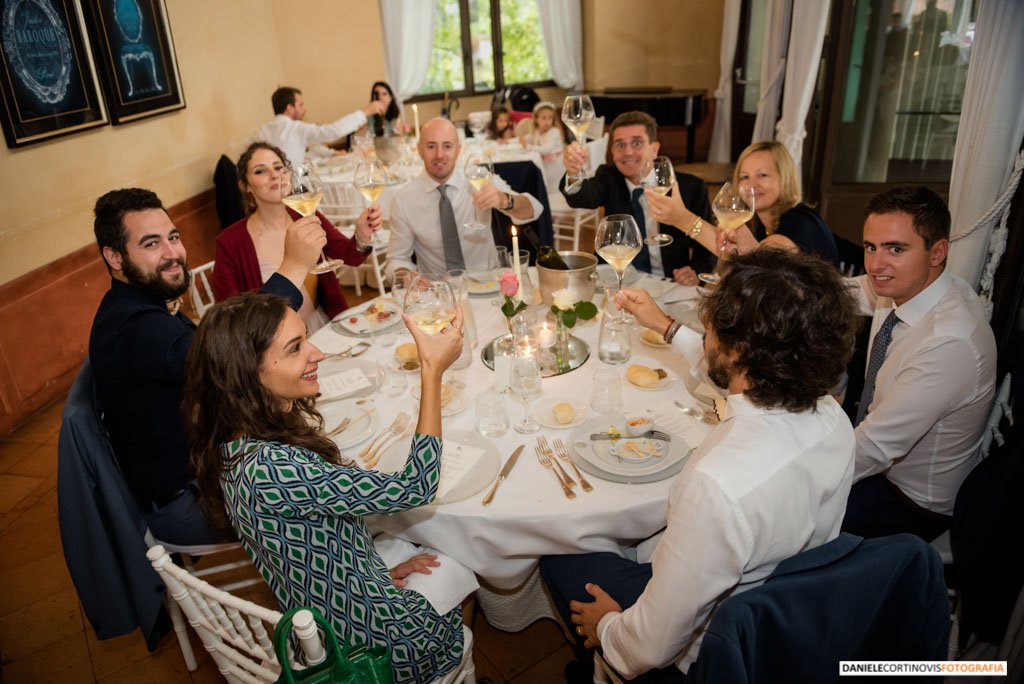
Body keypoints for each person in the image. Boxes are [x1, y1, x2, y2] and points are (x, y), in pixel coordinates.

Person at [541, 248, 860, 682]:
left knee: (556, 549)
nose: (704, 329)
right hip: (789, 614)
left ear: (738, 350)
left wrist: (608, 628)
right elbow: (726, 366)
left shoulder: (717, 482)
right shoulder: (833, 417)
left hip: (714, 649)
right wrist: (669, 328)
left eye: (709, 325)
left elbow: (651, 645)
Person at [183, 292, 468, 683]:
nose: (316, 353)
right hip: (376, 648)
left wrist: (375, 576)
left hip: (329, 623)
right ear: (249, 372)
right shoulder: (275, 469)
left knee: (420, 552)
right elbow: (417, 486)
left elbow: (305, 555)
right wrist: (432, 371)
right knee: (465, 561)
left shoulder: (234, 449)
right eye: (296, 347)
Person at [88, 188, 321, 545]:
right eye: (151, 244)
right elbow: (232, 353)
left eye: (174, 237)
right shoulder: (133, 328)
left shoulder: (147, 302)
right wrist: (293, 267)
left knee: (315, 448)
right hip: (185, 501)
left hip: (207, 464)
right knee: (321, 500)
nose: (172, 254)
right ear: (115, 257)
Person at [841, 186, 997, 542]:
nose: (876, 264)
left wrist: (786, 479)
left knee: (777, 526)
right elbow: (835, 292)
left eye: (896, 249)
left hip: (910, 502)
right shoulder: (904, 286)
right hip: (875, 460)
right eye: (870, 247)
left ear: (937, 251)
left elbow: (874, 448)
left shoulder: (949, 341)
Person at [212, 141, 382, 332]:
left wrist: (361, 235)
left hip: (322, 325)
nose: (275, 175)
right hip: (274, 340)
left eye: (279, 168)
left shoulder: (306, 215)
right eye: (261, 171)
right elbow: (229, 314)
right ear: (245, 186)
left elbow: (349, 255)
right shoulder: (229, 242)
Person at [561, 111, 716, 285]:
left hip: (671, 283)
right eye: (620, 145)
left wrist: (695, 270)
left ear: (654, 149)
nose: (628, 152)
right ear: (612, 152)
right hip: (619, 281)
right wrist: (573, 173)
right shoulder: (608, 177)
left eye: (637, 143)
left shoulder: (691, 188)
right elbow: (579, 198)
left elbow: (707, 250)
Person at [386, 117, 543, 278]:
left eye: (447, 146)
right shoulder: (403, 200)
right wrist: (405, 276)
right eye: (431, 146)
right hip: (437, 291)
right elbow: (396, 259)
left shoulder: (480, 179)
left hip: (487, 281)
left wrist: (505, 200)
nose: (439, 155)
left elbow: (534, 209)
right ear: (419, 150)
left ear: (458, 149)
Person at [709, 141, 839, 266]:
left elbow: (764, 260)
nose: (751, 185)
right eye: (744, 177)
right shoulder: (758, 224)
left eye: (762, 175)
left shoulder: (801, 220)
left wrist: (689, 221)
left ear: (785, 178)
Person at [251, 86, 384, 168]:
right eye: (301, 105)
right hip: (294, 194)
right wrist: (366, 111)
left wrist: (332, 153)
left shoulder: (260, 131)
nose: (305, 109)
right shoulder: (296, 128)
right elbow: (333, 131)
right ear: (290, 108)